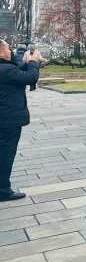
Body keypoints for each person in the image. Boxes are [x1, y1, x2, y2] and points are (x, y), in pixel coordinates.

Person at [0, 40, 43, 201]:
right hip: (7, 120)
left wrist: (25, 60)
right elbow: (31, 77)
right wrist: (33, 61)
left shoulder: (6, 68)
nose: (10, 51)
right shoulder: (5, 70)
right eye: (8, 48)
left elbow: (16, 69)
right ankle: (3, 190)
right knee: (6, 154)